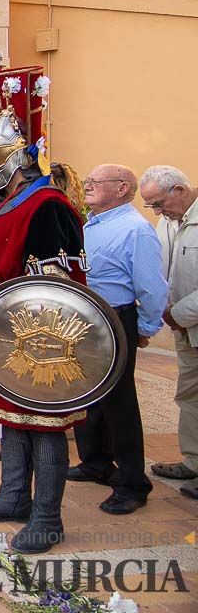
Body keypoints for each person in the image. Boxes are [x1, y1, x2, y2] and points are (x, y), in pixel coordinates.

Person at [0, 75, 86, 554]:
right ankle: (13, 496)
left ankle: (48, 517)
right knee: (10, 415)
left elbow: (58, 283)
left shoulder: (47, 206)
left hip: (38, 334)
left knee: (42, 423)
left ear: (17, 161)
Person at [65, 164, 167, 515]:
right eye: (88, 180)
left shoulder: (136, 230)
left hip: (115, 318)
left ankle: (133, 483)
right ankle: (95, 461)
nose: (88, 185)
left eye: (95, 182)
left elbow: (152, 288)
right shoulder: (94, 223)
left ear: (123, 188)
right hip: (86, 319)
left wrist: (145, 328)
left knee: (119, 401)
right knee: (90, 394)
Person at [140, 165, 198, 500]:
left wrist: (177, 313)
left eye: (159, 203)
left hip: (185, 317)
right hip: (183, 326)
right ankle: (193, 460)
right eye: (151, 206)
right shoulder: (168, 220)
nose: (157, 211)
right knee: (189, 394)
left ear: (179, 190)